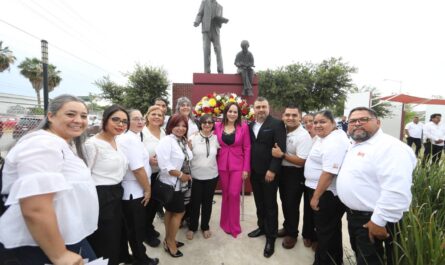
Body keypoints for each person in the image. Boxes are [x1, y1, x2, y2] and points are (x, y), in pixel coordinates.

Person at [0, 95, 98, 264]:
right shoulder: (43, 144)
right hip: (43, 244)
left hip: (63, 234)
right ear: (51, 116)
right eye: (70, 114)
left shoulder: (59, 142)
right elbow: (35, 207)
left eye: (83, 116)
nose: (78, 120)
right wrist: (60, 255)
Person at [337, 107, 416, 265]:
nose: (357, 124)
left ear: (378, 122)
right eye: (353, 121)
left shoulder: (391, 148)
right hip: (357, 217)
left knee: (370, 260)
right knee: (363, 255)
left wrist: (379, 221)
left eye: (364, 120)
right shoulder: (356, 144)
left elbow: (396, 190)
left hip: (374, 219)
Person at [304, 110, 350, 265]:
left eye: (322, 122)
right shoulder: (325, 137)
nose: (317, 125)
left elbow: (329, 172)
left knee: (325, 234)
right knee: (331, 231)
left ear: (333, 123)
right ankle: (335, 261)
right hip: (322, 191)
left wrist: (316, 197)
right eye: (315, 122)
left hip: (326, 194)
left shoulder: (334, 141)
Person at [85, 105, 128, 265]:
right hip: (100, 196)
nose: (120, 124)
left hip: (116, 193)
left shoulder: (116, 141)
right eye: (115, 119)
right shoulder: (92, 144)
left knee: (116, 237)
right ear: (105, 120)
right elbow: (85, 176)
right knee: (104, 240)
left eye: (124, 121)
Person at [117, 109, 159, 265]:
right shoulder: (129, 139)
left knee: (133, 228)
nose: (140, 121)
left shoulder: (132, 137)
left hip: (133, 190)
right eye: (135, 119)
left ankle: (132, 256)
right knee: (136, 229)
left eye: (141, 118)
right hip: (134, 192)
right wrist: (148, 189)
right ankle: (141, 259)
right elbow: (137, 169)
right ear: (127, 121)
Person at [247, 97, 286, 258]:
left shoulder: (276, 124)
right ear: (253, 109)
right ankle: (262, 227)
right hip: (255, 172)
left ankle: (271, 237)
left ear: (268, 108)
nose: (261, 110)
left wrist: (273, 170)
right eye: (258, 107)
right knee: (259, 203)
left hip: (269, 173)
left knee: (270, 205)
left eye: (264, 106)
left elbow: (280, 148)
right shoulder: (250, 125)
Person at [271, 106, 312, 249]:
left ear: (300, 117)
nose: (290, 118)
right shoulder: (283, 130)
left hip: (295, 173)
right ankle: (287, 227)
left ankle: (292, 234)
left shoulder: (303, 135)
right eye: (287, 115)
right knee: (285, 202)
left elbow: (302, 161)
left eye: (294, 115)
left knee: (292, 204)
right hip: (282, 171)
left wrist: (282, 155)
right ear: (282, 117)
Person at [156, 114, 193, 258]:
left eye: (184, 126)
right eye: (177, 125)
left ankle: (168, 239)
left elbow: (187, 158)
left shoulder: (182, 141)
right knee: (179, 212)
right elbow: (164, 165)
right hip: (172, 183)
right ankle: (170, 242)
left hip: (181, 184)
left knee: (171, 212)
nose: (181, 128)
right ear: (171, 125)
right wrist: (180, 175)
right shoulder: (167, 141)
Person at [214, 102, 251, 238]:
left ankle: (234, 226)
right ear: (226, 112)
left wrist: (246, 168)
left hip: (238, 166)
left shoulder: (243, 127)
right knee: (226, 194)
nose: (232, 114)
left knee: (234, 194)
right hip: (222, 165)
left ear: (238, 114)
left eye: (235, 112)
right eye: (230, 111)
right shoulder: (218, 126)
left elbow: (247, 148)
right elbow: (207, 136)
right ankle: (224, 222)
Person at [187, 114, 219, 240]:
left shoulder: (216, 138)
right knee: (194, 203)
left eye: (210, 122)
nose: (207, 124)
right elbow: (187, 156)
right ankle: (192, 227)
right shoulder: (193, 137)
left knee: (207, 203)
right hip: (196, 177)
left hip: (212, 176)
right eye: (204, 122)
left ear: (213, 125)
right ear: (200, 124)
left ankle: (205, 226)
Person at [142, 106, 166, 247]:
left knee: (155, 204)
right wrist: (148, 159)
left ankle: (149, 227)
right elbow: (135, 154)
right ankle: (145, 233)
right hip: (147, 174)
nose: (157, 117)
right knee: (147, 205)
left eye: (160, 115)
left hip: (160, 174)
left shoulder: (163, 132)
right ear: (148, 115)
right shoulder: (142, 133)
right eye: (154, 114)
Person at [194, 0, 228, 74]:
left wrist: (222, 21)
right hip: (206, 29)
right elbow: (200, 14)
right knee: (206, 50)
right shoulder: (204, 2)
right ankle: (207, 71)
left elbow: (220, 22)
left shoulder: (220, 7)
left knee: (218, 50)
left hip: (216, 30)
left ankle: (221, 71)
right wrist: (197, 21)